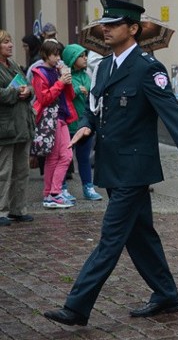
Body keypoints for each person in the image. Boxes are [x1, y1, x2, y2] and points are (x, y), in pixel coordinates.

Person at [43, 0, 178, 327]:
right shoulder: (105, 66)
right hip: (110, 165)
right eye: (104, 24)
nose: (105, 29)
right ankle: (166, 294)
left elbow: (173, 114)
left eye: (113, 24)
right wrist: (87, 125)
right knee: (140, 236)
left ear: (133, 28)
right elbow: (99, 109)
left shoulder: (148, 68)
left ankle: (77, 306)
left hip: (135, 170)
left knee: (110, 237)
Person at [31, 39, 77, 209]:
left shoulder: (57, 71)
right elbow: (44, 98)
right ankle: (55, 193)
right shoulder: (39, 73)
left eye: (59, 54)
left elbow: (69, 96)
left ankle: (49, 193)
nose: (58, 58)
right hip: (51, 118)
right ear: (46, 54)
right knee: (64, 156)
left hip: (62, 116)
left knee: (57, 157)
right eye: (55, 54)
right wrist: (60, 83)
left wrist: (67, 80)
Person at [0, 29, 35, 226]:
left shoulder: (13, 64)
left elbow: (27, 84)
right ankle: (1, 211)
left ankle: (18, 209)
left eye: (10, 41)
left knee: (21, 171)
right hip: (5, 128)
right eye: (5, 42)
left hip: (22, 125)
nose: (10, 45)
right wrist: (15, 92)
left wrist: (27, 91)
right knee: (3, 172)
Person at [61, 44, 103, 201]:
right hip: (69, 125)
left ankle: (88, 187)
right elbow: (65, 97)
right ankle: (61, 187)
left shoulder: (87, 76)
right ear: (72, 59)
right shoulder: (67, 76)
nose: (85, 58)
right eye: (81, 56)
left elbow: (92, 96)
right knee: (65, 157)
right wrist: (78, 90)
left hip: (85, 125)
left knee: (84, 157)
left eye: (85, 55)